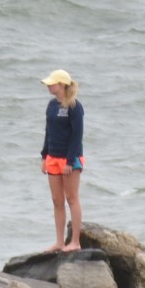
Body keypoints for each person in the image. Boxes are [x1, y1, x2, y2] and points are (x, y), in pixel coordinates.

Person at [40, 69, 84, 252]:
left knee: (72, 198)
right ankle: (59, 242)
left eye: (52, 83)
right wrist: (44, 156)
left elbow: (76, 136)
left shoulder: (74, 107)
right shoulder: (51, 106)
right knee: (57, 201)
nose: (49, 86)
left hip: (69, 159)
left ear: (62, 85)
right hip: (53, 157)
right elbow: (48, 131)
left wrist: (70, 161)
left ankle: (75, 242)